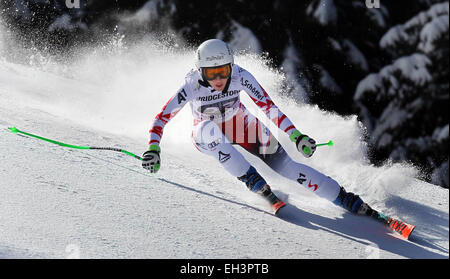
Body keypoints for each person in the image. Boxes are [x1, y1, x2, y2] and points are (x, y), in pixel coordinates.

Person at [142, 39, 369, 215]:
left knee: (287, 167)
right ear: (201, 72)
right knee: (211, 132)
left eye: (224, 70)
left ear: (232, 66)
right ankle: (253, 180)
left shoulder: (241, 76)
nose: (219, 78)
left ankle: (344, 197)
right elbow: (161, 118)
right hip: (205, 132)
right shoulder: (191, 86)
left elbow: (269, 108)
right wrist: (154, 148)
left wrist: (296, 136)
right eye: (212, 73)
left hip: (240, 125)